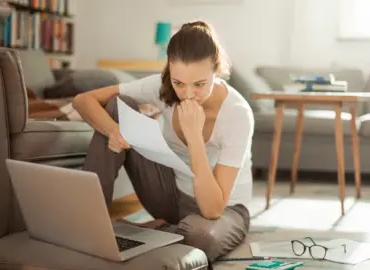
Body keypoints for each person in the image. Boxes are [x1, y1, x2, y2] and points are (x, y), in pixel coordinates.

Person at [72, 20, 254, 262]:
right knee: (119, 105)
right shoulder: (162, 87)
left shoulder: (237, 113)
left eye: (200, 84)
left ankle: (150, 231)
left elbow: (213, 209)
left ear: (216, 71)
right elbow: (83, 101)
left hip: (224, 210)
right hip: (171, 196)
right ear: (170, 72)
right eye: (179, 83)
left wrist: (194, 138)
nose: (188, 94)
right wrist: (113, 131)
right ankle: (90, 224)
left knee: (201, 238)